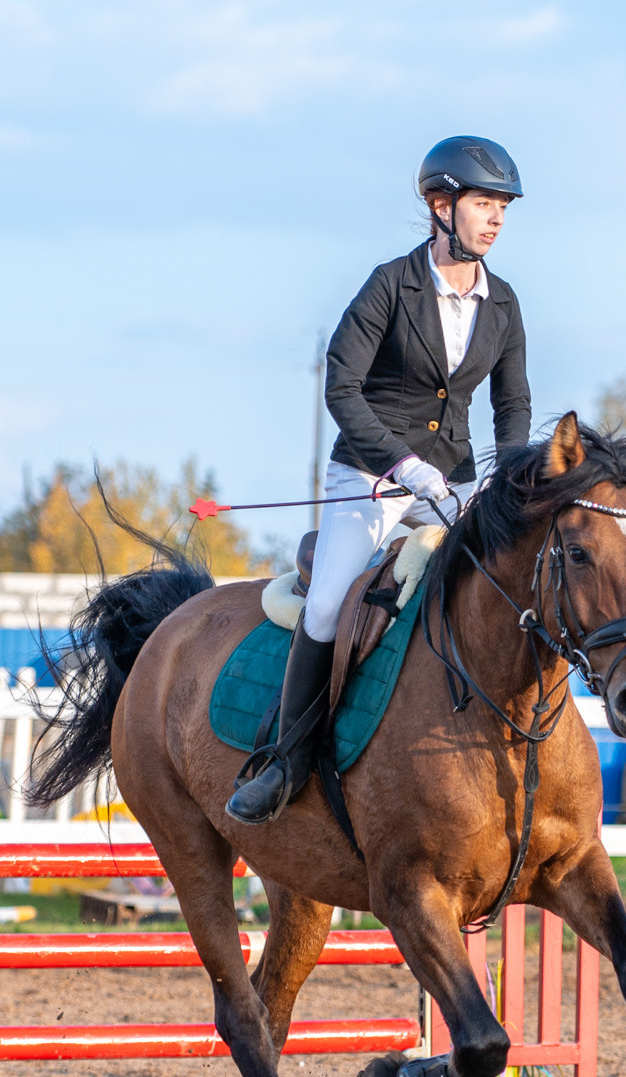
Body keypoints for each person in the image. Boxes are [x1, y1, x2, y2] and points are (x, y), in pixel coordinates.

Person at [226, 135, 531, 825]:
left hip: (456, 486)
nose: (495, 220)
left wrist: (501, 480)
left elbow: (512, 405)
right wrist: (404, 465)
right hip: (370, 476)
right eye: (484, 204)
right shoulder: (391, 284)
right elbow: (343, 387)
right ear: (440, 205)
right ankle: (286, 760)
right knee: (332, 604)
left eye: (502, 209)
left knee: (502, 588)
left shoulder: (504, 303)